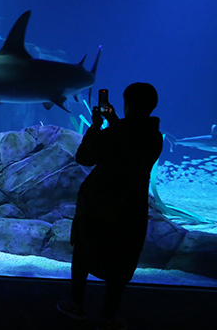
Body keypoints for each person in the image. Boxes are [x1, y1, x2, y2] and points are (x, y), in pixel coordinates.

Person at [56, 82, 163, 330]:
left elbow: (85, 157)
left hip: (99, 204)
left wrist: (95, 127)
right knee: (122, 259)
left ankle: (76, 306)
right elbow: (129, 138)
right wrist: (114, 120)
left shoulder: (115, 133)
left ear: (127, 104)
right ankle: (108, 316)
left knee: (83, 252)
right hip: (132, 208)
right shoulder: (154, 136)